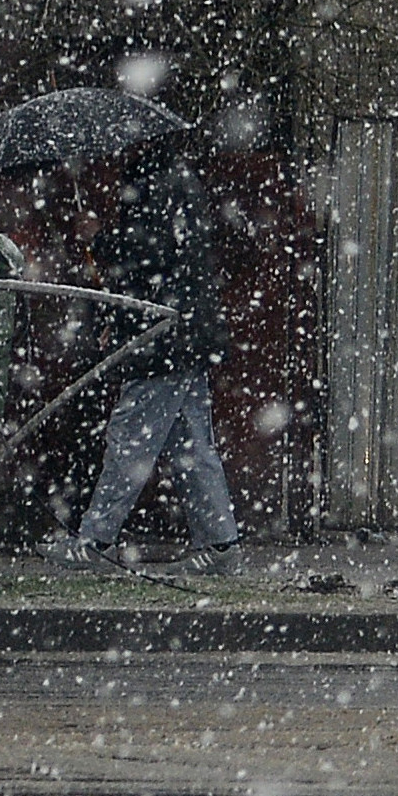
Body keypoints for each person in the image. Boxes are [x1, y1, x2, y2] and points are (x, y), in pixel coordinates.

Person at [72, 132, 243, 568]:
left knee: (131, 438)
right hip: (183, 333)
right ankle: (220, 546)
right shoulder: (175, 180)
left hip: (163, 334)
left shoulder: (156, 182)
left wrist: (100, 239)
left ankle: (96, 541)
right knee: (191, 444)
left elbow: (153, 251)